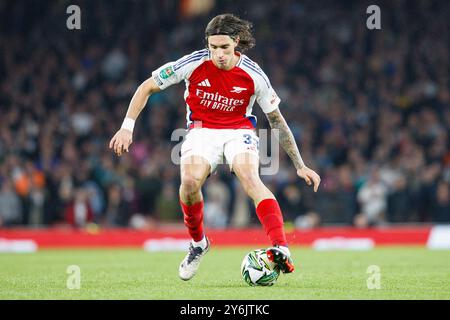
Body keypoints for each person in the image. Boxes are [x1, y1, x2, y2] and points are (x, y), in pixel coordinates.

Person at [109, 14, 321, 281]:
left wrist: (300, 165)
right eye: (213, 47)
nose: (218, 54)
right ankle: (198, 244)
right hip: (202, 130)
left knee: (250, 177)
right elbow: (146, 87)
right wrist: (127, 127)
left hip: (239, 130)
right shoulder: (193, 62)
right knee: (189, 182)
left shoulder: (255, 75)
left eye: (224, 48)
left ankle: (281, 247)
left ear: (236, 42)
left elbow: (276, 119)